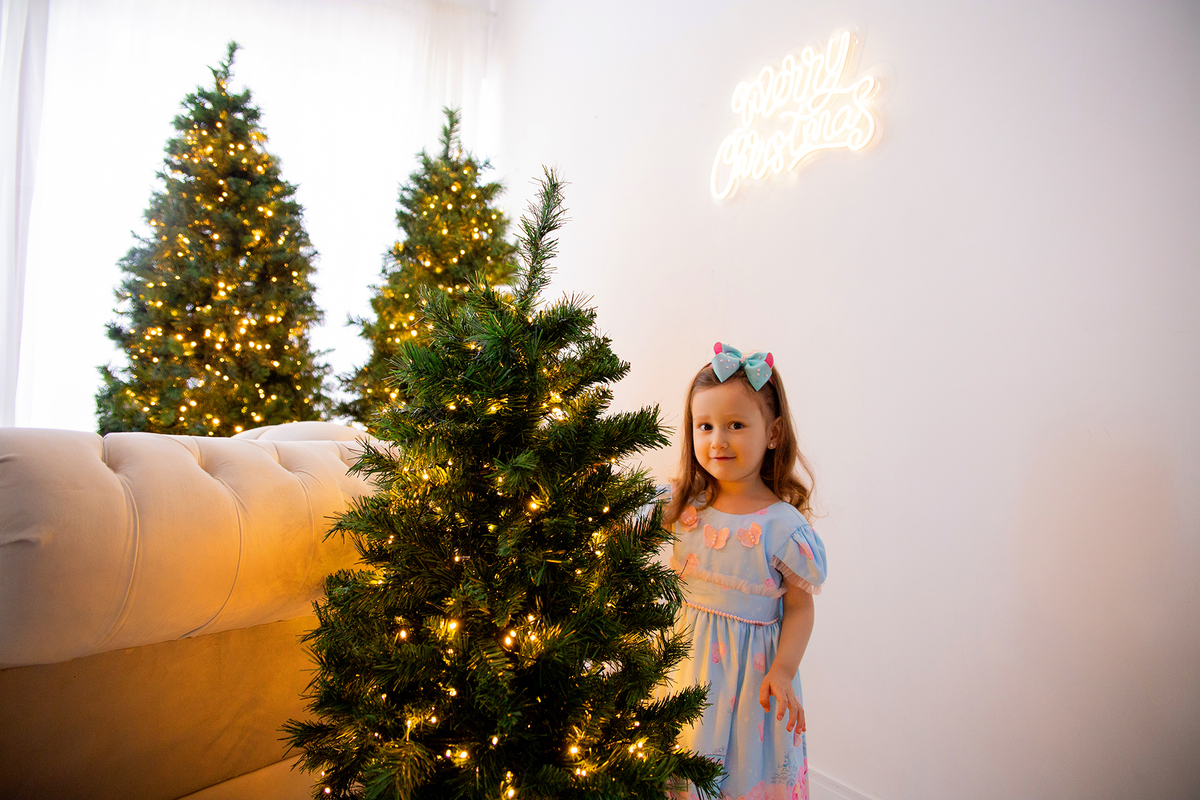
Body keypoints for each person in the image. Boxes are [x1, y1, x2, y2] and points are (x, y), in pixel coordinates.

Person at [660, 342, 827, 800]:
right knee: (682, 763)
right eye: (705, 426)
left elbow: (799, 608)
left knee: (741, 770)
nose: (718, 440)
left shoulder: (780, 525)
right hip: (684, 667)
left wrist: (784, 670)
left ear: (772, 433)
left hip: (753, 678)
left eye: (736, 425)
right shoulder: (682, 506)